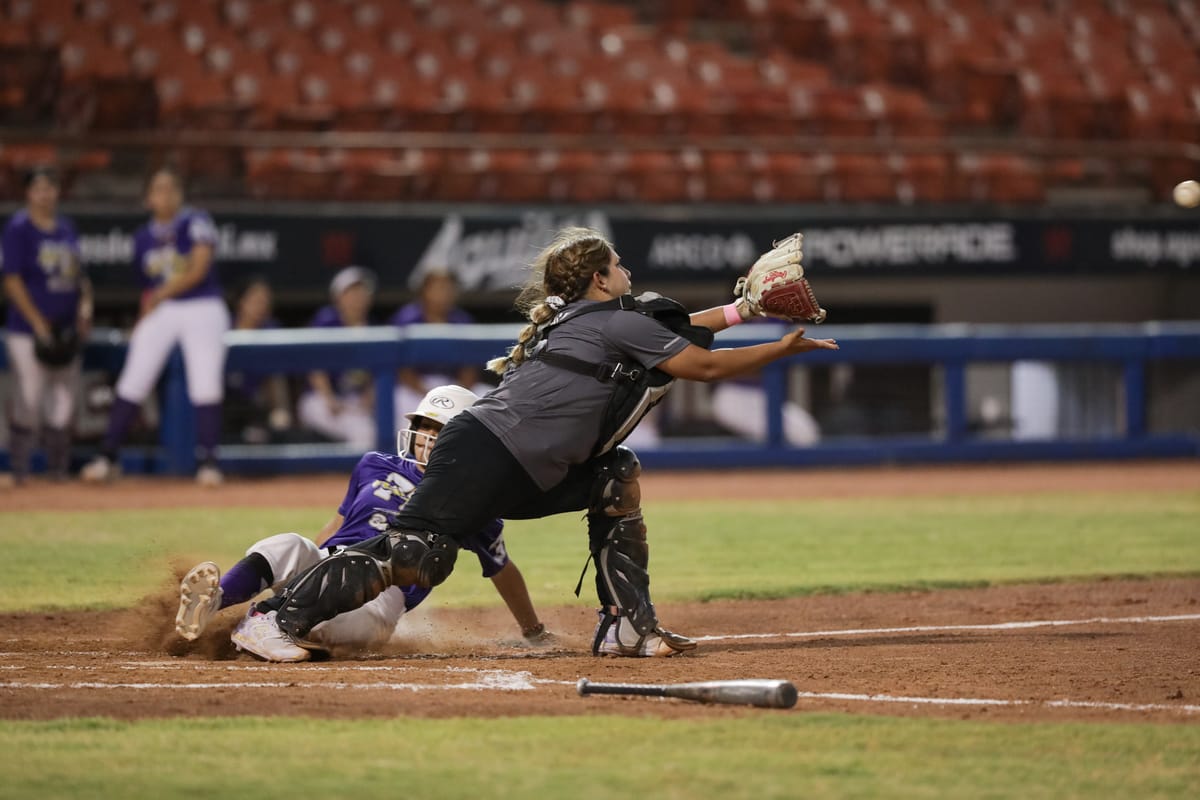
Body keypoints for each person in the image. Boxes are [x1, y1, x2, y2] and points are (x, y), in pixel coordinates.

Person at [241, 227, 838, 659]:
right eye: (619, 265)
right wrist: (780, 346)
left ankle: (625, 625)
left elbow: (678, 329)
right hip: (486, 447)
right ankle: (274, 617)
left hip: (532, 469)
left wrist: (742, 310)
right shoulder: (615, 319)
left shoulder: (594, 318)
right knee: (417, 552)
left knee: (614, 477)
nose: (627, 271)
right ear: (600, 280)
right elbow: (700, 366)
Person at [174, 384, 550, 662]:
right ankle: (216, 601)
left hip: (381, 595)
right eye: (425, 428)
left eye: (441, 432)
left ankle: (266, 621)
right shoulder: (374, 464)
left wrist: (532, 630)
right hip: (332, 557)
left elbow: (501, 569)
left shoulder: (471, 499)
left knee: (346, 623)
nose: (428, 440)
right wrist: (307, 560)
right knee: (290, 545)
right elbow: (337, 524)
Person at [81, 167, 229, 486]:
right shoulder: (142, 237)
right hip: (164, 308)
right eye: (159, 189)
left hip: (202, 305)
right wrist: (142, 317)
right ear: (148, 198)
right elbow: (148, 288)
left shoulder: (195, 220)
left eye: (171, 188)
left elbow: (199, 268)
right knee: (134, 378)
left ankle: (209, 462)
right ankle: (107, 456)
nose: (166, 194)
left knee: (205, 383)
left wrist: (159, 295)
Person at [1, 166, 92, 483]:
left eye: (50, 187)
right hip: (27, 330)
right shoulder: (18, 228)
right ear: (28, 193)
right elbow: (11, 281)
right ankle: (20, 470)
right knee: (29, 397)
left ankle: (57, 471)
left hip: (65, 328)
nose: (45, 194)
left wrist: (85, 307)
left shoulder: (67, 228)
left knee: (64, 401)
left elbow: (79, 276)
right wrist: (38, 323)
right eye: (38, 188)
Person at [296, 265, 377, 451]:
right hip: (320, 398)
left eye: (362, 291)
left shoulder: (372, 326)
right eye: (351, 292)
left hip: (354, 400)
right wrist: (329, 398)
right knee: (363, 434)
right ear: (337, 297)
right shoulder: (325, 322)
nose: (357, 297)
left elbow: (377, 373)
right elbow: (315, 365)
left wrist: (369, 398)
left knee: (375, 431)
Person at [390, 269, 487, 421]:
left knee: (487, 396)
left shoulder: (462, 320)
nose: (444, 293)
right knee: (400, 402)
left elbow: (469, 369)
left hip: (453, 385)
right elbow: (402, 370)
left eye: (449, 287)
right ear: (424, 291)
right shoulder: (407, 319)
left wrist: (456, 393)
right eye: (438, 287)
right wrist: (429, 395)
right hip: (416, 387)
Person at [224, 276, 293, 444]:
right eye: (255, 300)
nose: (260, 306)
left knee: (271, 432)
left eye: (264, 301)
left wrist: (280, 409)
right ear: (241, 302)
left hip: (255, 405)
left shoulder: (271, 330)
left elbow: (276, 377)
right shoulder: (225, 328)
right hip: (225, 403)